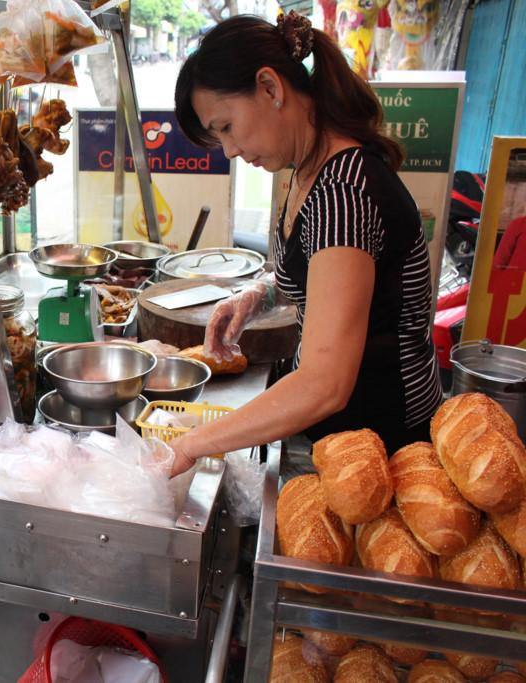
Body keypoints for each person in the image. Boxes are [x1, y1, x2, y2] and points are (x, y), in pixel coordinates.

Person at [169, 12, 442, 476]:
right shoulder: (310, 170)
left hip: (383, 453)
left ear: (270, 88)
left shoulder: (344, 192)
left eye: (226, 126)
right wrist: (260, 294)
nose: (230, 150)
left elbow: (323, 384)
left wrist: (192, 444)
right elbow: (325, 272)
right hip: (349, 441)